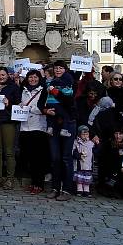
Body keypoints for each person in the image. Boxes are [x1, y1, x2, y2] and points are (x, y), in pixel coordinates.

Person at [41, 61, 77, 200]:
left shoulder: (70, 81)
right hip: (53, 123)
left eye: (60, 68)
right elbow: (41, 102)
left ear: (65, 69)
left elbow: (68, 101)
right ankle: (55, 187)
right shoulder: (49, 83)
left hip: (68, 122)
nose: (58, 70)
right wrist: (45, 110)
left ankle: (67, 190)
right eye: (56, 68)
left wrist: (55, 91)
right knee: (55, 158)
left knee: (66, 158)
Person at [0, 66, 21, 190]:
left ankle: (10, 179)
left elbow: (18, 105)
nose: (1, 77)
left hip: (8, 122)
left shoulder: (14, 88)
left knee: (9, 152)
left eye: (3, 75)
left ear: (7, 75)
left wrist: (9, 103)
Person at [18, 69, 50, 194]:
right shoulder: (23, 89)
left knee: (38, 158)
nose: (33, 79)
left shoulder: (44, 90)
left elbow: (43, 108)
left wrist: (29, 108)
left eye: (35, 77)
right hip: (25, 126)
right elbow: (19, 103)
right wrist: (20, 105)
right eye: (30, 77)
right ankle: (33, 182)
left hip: (38, 126)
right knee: (29, 157)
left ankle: (39, 184)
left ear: (39, 78)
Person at [72, 125, 95, 198]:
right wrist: (79, 155)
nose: (85, 136)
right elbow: (73, 152)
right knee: (80, 178)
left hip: (88, 164)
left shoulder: (91, 143)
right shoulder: (76, 142)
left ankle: (86, 190)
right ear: (79, 134)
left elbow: (96, 151)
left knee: (86, 178)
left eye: (86, 134)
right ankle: (79, 189)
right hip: (80, 163)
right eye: (83, 134)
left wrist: (98, 144)